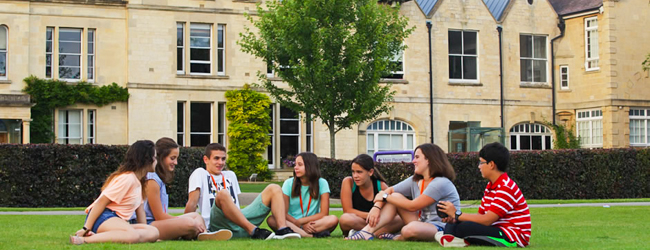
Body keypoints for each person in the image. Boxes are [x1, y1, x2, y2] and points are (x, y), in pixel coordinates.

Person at [184, 143, 300, 240]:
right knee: (223, 193)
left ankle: (282, 230)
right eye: (216, 158)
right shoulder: (200, 173)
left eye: (223, 159)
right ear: (206, 159)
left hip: (239, 221)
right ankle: (253, 231)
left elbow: (236, 204)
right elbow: (192, 203)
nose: (220, 162)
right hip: (216, 224)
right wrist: (186, 229)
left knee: (274, 188)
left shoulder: (230, 175)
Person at [347, 143, 460, 242]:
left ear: (429, 160)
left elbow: (413, 206)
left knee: (409, 229)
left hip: (441, 226)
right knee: (394, 196)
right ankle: (366, 232)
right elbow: (390, 190)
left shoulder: (440, 182)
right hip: (422, 222)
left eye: (417, 157)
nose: (413, 161)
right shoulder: (415, 180)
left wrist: (385, 196)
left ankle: (398, 237)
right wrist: (376, 207)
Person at [436, 142, 531, 247]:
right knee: (452, 225)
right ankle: (454, 238)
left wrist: (457, 215)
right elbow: (480, 216)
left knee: (464, 227)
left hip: (512, 235)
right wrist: (455, 219)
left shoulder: (506, 187)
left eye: (481, 163)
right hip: (496, 228)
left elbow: (487, 220)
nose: (479, 167)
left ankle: (455, 239)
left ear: (491, 165)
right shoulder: (491, 186)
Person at [69, 140, 160, 245]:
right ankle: (84, 240)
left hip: (117, 221)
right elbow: (101, 202)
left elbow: (140, 212)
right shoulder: (128, 178)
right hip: (104, 217)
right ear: (147, 159)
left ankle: (108, 236)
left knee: (153, 231)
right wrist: (86, 228)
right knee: (133, 235)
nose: (156, 161)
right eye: (155, 157)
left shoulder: (139, 182)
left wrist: (146, 234)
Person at [134, 137, 224, 240]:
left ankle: (203, 234)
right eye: (172, 158)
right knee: (190, 223)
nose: (176, 162)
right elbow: (159, 216)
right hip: (150, 225)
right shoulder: (152, 180)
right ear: (161, 158)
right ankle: (194, 232)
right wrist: (181, 220)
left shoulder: (159, 179)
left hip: (159, 223)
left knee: (195, 216)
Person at [268, 152, 339, 238]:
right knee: (271, 219)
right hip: (291, 223)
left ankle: (299, 233)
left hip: (312, 223)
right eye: (295, 165)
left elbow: (324, 213)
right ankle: (308, 235)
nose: (295, 168)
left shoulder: (322, 183)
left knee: (333, 219)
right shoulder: (288, 183)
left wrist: (301, 222)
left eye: (300, 165)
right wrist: (295, 222)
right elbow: (283, 212)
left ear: (310, 166)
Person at [339, 154, 403, 237]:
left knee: (401, 219)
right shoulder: (348, 182)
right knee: (345, 219)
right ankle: (377, 233)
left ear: (370, 172)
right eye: (353, 172)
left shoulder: (381, 186)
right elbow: (348, 210)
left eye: (359, 172)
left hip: (377, 223)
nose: (355, 176)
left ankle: (363, 233)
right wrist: (371, 216)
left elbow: (393, 210)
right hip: (361, 220)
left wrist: (378, 217)